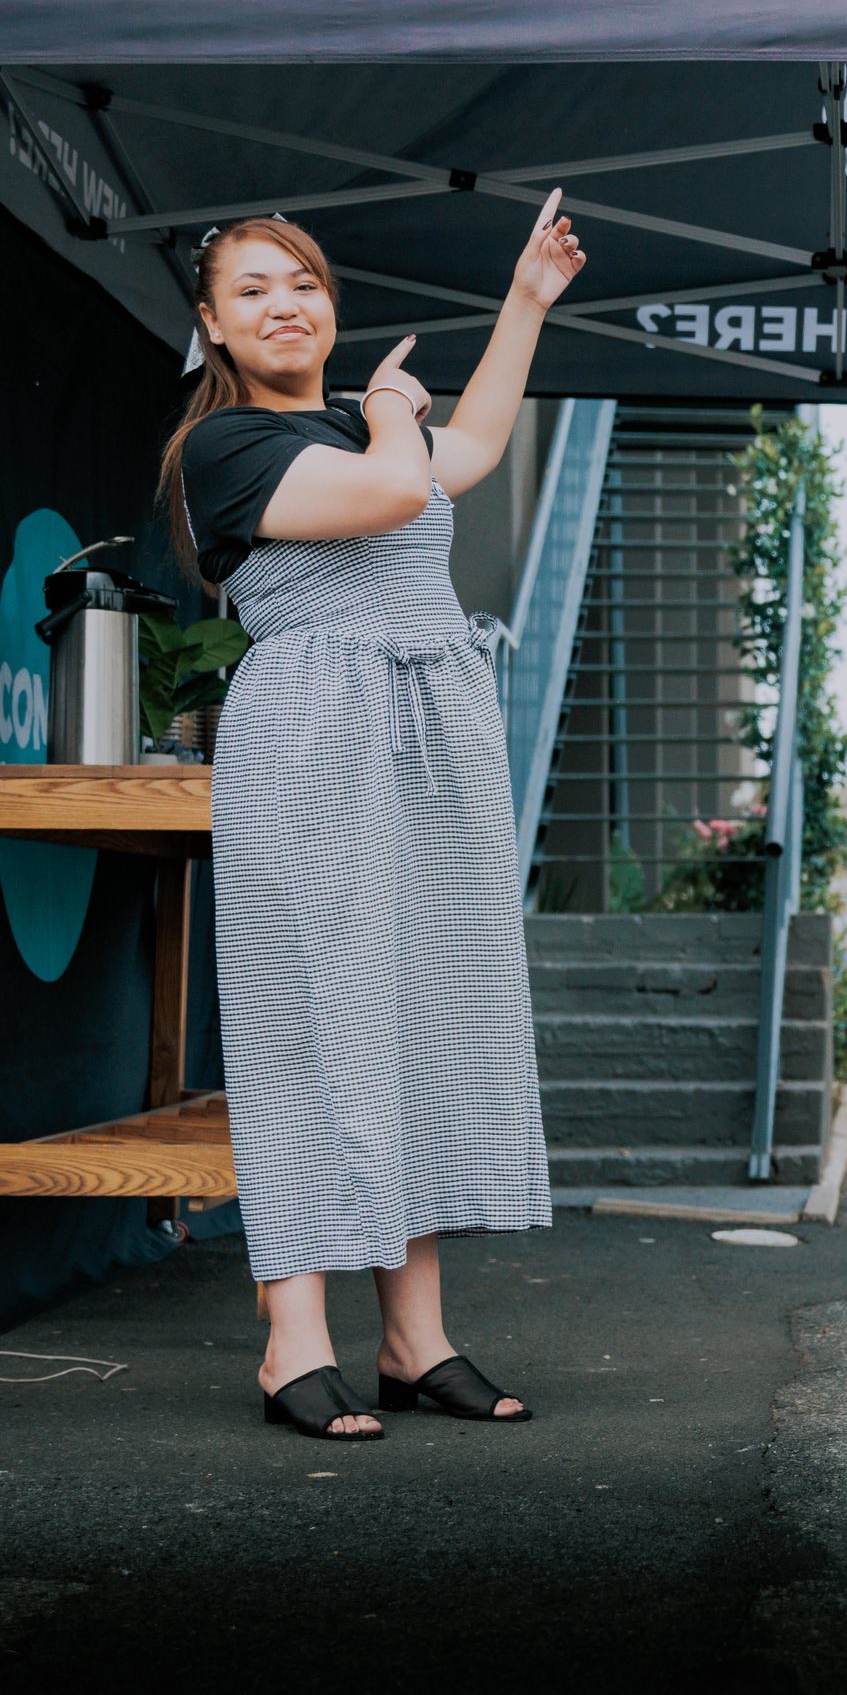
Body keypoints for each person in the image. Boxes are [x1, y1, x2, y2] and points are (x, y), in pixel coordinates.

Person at [159, 193, 586, 1440]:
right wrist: (400, 411)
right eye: (253, 289)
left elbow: (477, 452)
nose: (285, 303)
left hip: (430, 735)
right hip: (315, 732)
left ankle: (415, 1335)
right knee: (311, 1017)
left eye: (302, 280)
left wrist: (524, 303)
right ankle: (294, 1332)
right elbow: (404, 491)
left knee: (426, 1016)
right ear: (212, 324)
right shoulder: (224, 449)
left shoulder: (363, 423)